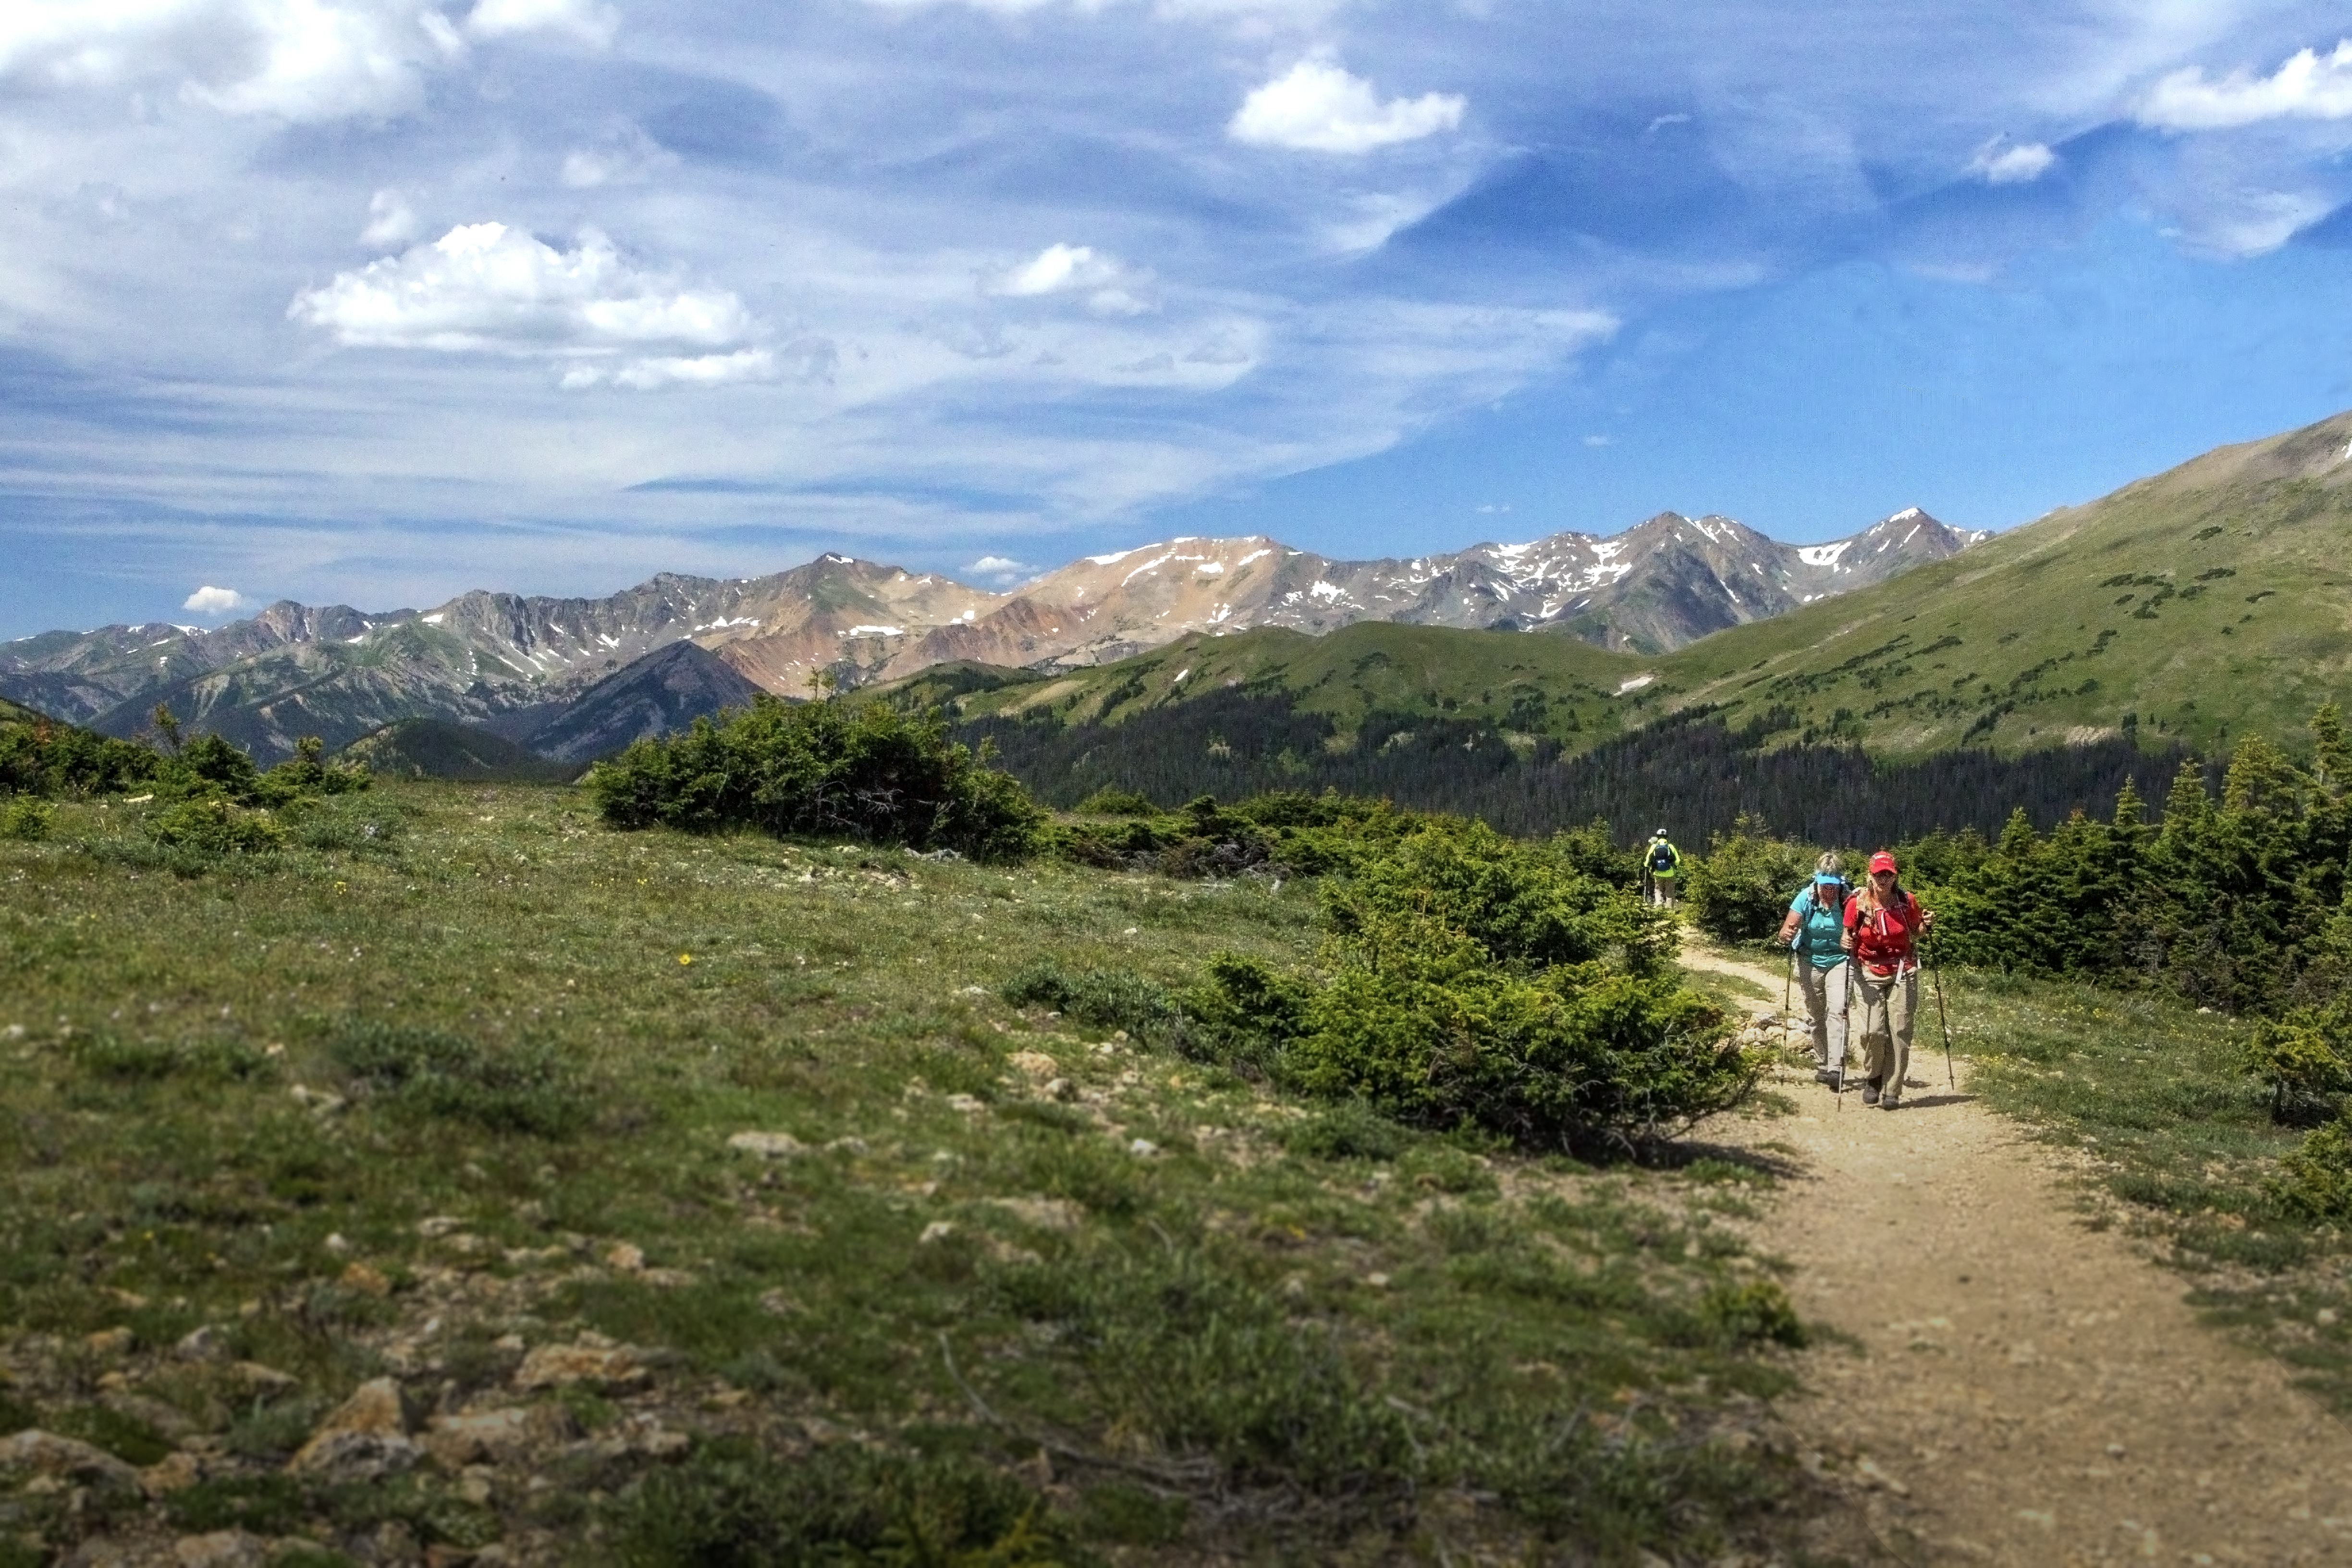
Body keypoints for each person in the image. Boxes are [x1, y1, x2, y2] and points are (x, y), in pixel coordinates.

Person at [1841, 849, 1933, 1110]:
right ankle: (1874, 1076)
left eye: (1889, 874)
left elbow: (1918, 932)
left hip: (1903, 969)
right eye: (1879, 874)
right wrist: (1845, 940)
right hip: (1869, 970)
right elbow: (1846, 935)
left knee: (1900, 1031)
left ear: (1895, 876)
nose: (1884, 879)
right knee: (1872, 1031)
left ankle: (1892, 1090)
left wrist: (1927, 925)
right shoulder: (1857, 903)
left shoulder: (1907, 901)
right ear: (1870, 874)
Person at [1775, 853, 1850, 1088]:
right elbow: (1785, 930)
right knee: (1817, 1016)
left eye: (1834, 886)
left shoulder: (1847, 899)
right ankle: (1822, 1063)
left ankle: (1836, 1068)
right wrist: (1785, 936)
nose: (1829, 891)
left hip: (1840, 960)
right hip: (1809, 960)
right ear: (1816, 881)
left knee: (1838, 1011)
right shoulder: (1805, 898)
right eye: (1825, 885)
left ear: (1840, 883)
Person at [1644, 828, 1682, 907]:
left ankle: (1659, 906)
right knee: (1670, 892)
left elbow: (1648, 859)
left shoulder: (1654, 846)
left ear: (1658, 837)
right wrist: (1674, 866)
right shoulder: (1670, 846)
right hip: (1670, 873)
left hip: (1658, 873)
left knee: (1658, 890)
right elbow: (1678, 860)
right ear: (1666, 837)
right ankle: (1669, 909)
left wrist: (1648, 866)